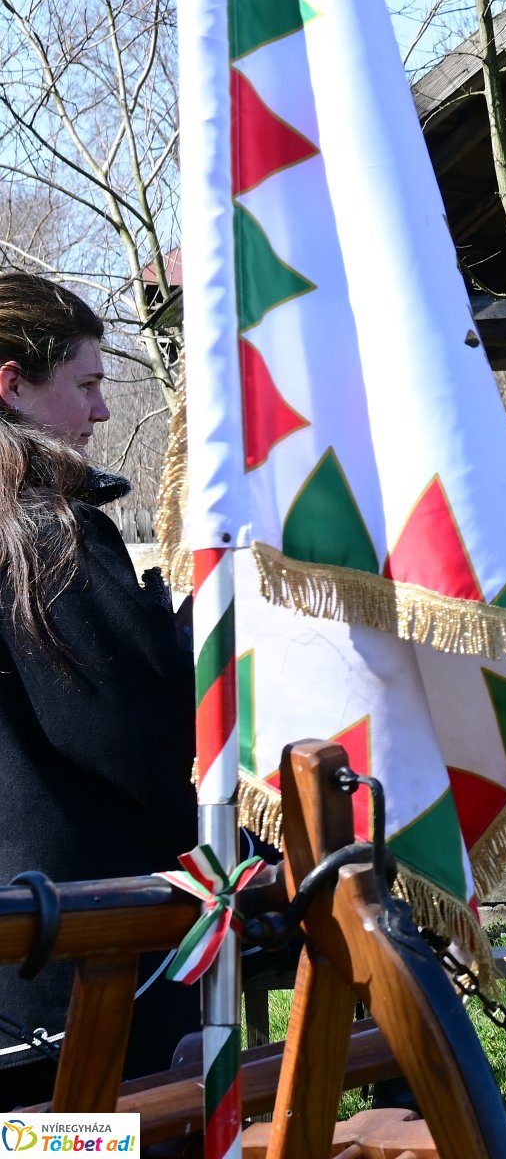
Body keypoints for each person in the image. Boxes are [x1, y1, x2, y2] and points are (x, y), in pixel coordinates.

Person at [0, 272, 195, 1107]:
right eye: (85, 384)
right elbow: (139, 743)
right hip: (72, 958)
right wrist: (187, 642)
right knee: (100, 1141)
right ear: (11, 383)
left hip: (31, 954)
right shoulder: (48, 535)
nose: (102, 413)